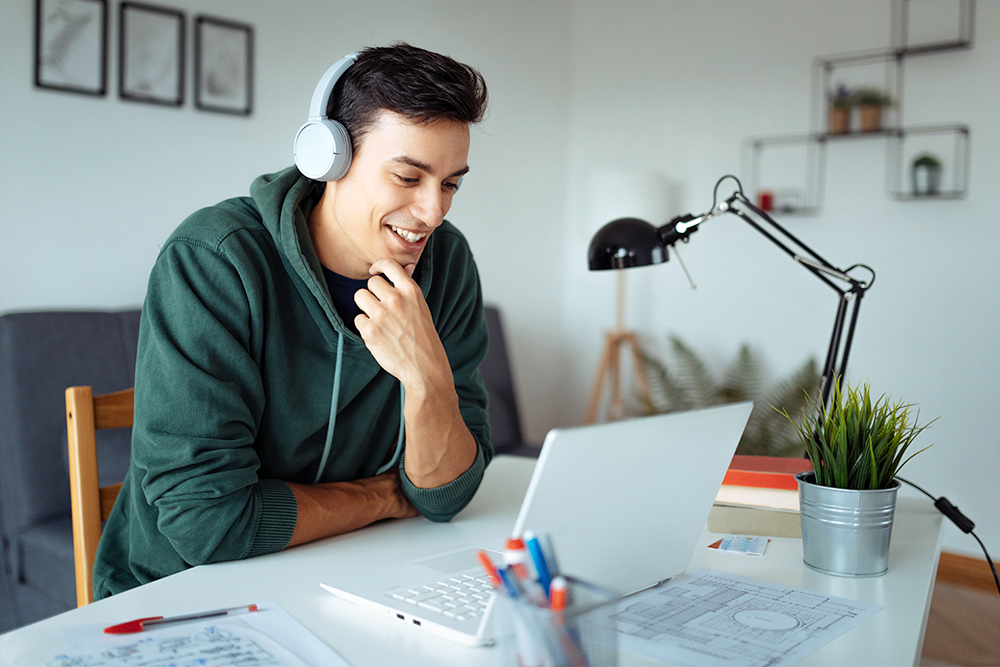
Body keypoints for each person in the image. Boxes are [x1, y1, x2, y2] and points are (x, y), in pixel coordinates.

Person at [93, 43, 492, 598]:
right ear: (327, 158)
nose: (434, 211)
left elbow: (446, 496)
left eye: (450, 183)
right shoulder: (215, 259)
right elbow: (208, 525)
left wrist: (428, 379)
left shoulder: (448, 264)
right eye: (407, 177)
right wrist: (383, 496)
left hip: (350, 575)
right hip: (182, 594)